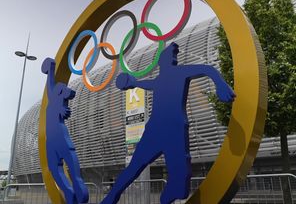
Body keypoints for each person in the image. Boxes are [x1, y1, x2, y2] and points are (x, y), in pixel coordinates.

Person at [101, 42, 236, 204]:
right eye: (170, 56)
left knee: (180, 175)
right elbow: (142, 84)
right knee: (135, 167)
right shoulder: (159, 80)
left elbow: (208, 69)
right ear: (161, 62)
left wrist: (220, 84)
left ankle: (164, 197)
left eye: (174, 56)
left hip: (174, 129)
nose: (174, 58)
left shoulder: (180, 73)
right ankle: (112, 196)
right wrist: (131, 83)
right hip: (156, 130)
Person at [42, 58, 89, 204]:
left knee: (70, 163)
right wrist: (50, 69)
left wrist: (51, 69)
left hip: (60, 139)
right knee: (54, 169)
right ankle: (69, 191)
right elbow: (50, 84)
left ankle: (78, 188)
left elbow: (69, 93)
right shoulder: (53, 99)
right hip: (52, 142)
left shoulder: (59, 105)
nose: (54, 89)